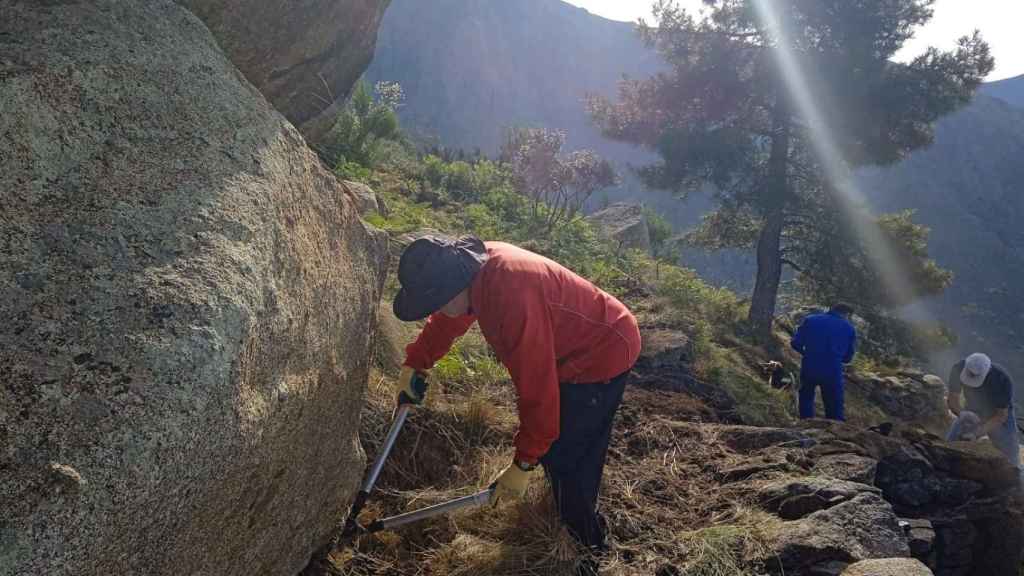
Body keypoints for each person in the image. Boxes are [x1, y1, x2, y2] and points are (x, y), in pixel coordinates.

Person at [391, 234, 641, 558]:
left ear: (453, 285)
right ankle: (565, 507)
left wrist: (524, 462)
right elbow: (447, 321)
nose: (437, 310)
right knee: (555, 447)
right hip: (570, 342)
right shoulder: (471, 270)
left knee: (570, 457)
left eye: (437, 302)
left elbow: (536, 385)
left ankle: (586, 546)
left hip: (603, 348)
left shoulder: (509, 298)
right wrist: (416, 363)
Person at [945, 353, 1021, 473]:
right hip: (972, 408)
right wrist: (962, 414)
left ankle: (1016, 478)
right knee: (949, 445)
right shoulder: (958, 368)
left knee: (1010, 454)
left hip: (997, 413)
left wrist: (976, 433)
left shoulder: (1001, 379)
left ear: (986, 373)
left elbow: (1001, 416)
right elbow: (952, 399)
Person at [790, 303, 857, 421]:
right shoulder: (849, 328)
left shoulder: (811, 320)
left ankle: (806, 424)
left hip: (810, 365)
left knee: (806, 396)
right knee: (834, 404)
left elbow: (795, 343)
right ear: (847, 314)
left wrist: (807, 353)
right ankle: (835, 429)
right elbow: (848, 357)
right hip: (832, 369)